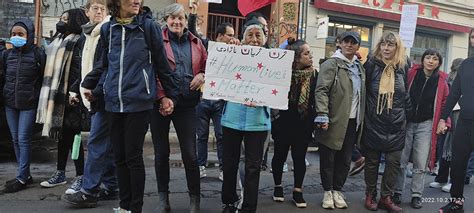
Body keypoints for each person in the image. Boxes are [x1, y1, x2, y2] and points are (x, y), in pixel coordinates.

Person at [87, 0, 178, 212]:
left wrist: (171, 95)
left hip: (139, 102)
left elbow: (161, 63)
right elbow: (103, 64)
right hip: (113, 103)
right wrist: (92, 87)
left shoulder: (148, 27)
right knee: (118, 157)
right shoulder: (109, 29)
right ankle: (124, 206)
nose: (136, 1)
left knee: (133, 157)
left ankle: (135, 208)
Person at [61, 0, 118, 208]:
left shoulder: (106, 31)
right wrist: (77, 88)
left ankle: (89, 190)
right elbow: (88, 68)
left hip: (102, 96)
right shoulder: (89, 34)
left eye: (103, 9)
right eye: (96, 8)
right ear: (87, 12)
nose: (100, 12)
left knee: (96, 143)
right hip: (93, 95)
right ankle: (111, 186)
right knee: (107, 146)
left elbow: (107, 66)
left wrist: (94, 90)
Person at [151, 3, 206, 213]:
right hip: (160, 105)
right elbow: (153, 69)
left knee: (191, 155)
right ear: (166, 20)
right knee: (161, 153)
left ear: (185, 20)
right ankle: (163, 199)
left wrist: (202, 75)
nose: (177, 22)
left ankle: (195, 200)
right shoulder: (157, 41)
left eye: (181, 18)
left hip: (187, 105)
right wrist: (162, 97)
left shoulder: (197, 42)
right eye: (173, 18)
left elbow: (206, 66)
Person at [221, 19, 271, 213]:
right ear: (242, 38)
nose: (254, 39)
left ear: (265, 39)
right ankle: (229, 202)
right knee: (229, 163)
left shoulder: (272, 60)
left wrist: (261, 98)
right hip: (232, 118)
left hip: (257, 122)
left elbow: (279, 89)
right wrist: (229, 48)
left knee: (253, 167)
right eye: (250, 35)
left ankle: (249, 207)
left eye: (258, 35)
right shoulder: (234, 54)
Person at [39, 8, 89, 194]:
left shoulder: (80, 42)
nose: (61, 22)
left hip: (72, 99)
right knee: (61, 137)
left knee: (75, 139)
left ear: (75, 21)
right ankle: (60, 173)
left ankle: (80, 176)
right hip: (59, 99)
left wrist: (73, 93)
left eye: (65, 19)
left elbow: (80, 70)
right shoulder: (59, 40)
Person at [315, 31, 366, 210]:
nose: (349, 45)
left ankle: (338, 190)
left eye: (353, 42)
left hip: (352, 121)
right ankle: (327, 192)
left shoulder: (359, 67)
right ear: (339, 43)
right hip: (333, 119)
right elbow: (321, 90)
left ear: (358, 46)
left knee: (345, 159)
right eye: (346, 41)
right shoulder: (331, 64)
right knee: (328, 158)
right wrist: (322, 113)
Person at [393, 49, 449, 209]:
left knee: (420, 160)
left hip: (426, 124)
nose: (431, 61)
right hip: (407, 122)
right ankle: (397, 191)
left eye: (435, 59)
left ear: (439, 63)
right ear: (422, 59)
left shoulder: (441, 81)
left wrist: (445, 122)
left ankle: (416, 195)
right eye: (428, 57)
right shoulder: (411, 74)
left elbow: (445, 103)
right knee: (401, 158)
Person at [362, 31, 411, 213]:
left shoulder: (404, 66)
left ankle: (386, 197)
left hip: (397, 124)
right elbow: (364, 91)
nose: (386, 48)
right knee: (372, 162)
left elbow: (406, 95)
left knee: (393, 163)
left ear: (397, 48)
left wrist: (409, 116)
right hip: (374, 122)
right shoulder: (371, 65)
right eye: (383, 44)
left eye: (390, 45)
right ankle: (370, 194)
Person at [1, 19, 46, 193]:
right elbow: (5, 75)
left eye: (21, 34)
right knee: (14, 139)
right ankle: (24, 174)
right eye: (14, 34)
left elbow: (42, 78)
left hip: (29, 104)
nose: (16, 37)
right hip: (10, 103)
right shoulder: (7, 55)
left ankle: (22, 177)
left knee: (23, 139)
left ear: (29, 36)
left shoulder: (37, 54)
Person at [271, 39, 316, 208]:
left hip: (303, 123)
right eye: (306, 53)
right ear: (296, 57)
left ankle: (298, 191)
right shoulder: (283, 73)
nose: (310, 56)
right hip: (283, 122)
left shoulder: (313, 74)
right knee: (279, 156)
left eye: (310, 52)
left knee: (299, 157)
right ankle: (278, 186)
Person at [437, 28, 474, 213]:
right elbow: (453, 95)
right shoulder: (466, 65)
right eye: (473, 37)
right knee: (458, 165)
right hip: (465, 123)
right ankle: (456, 202)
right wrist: (443, 118)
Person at [196, 22, 237, 181]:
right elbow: (194, 34)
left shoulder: (234, 50)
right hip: (202, 100)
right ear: (220, 36)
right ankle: (200, 166)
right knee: (201, 136)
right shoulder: (205, 46)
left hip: (220, 101)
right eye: (230, 35)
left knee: (221, 136)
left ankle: (222, 168)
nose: (232, 38)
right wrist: (193, 16)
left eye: (233, 35)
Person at [429, 58, 464, 193]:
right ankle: (442, 178)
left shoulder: (462, 79)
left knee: (454, 150)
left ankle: (452, 181)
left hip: (460, 117)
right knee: (445, 149)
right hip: (448, 117)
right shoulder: (447, 78)